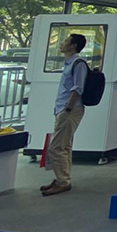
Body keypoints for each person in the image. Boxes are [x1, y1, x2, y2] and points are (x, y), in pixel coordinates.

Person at [42, 34, 88, 197]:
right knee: (65, 146)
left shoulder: (78, 64)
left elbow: (78, 88)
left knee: (56, 147)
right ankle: (62, 178)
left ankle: (63, 182)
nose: (62, 44)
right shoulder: (69, 63)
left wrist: (68, 108)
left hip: (70, 110)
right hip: (63, 109)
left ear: (73, 45)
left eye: (66, 41)